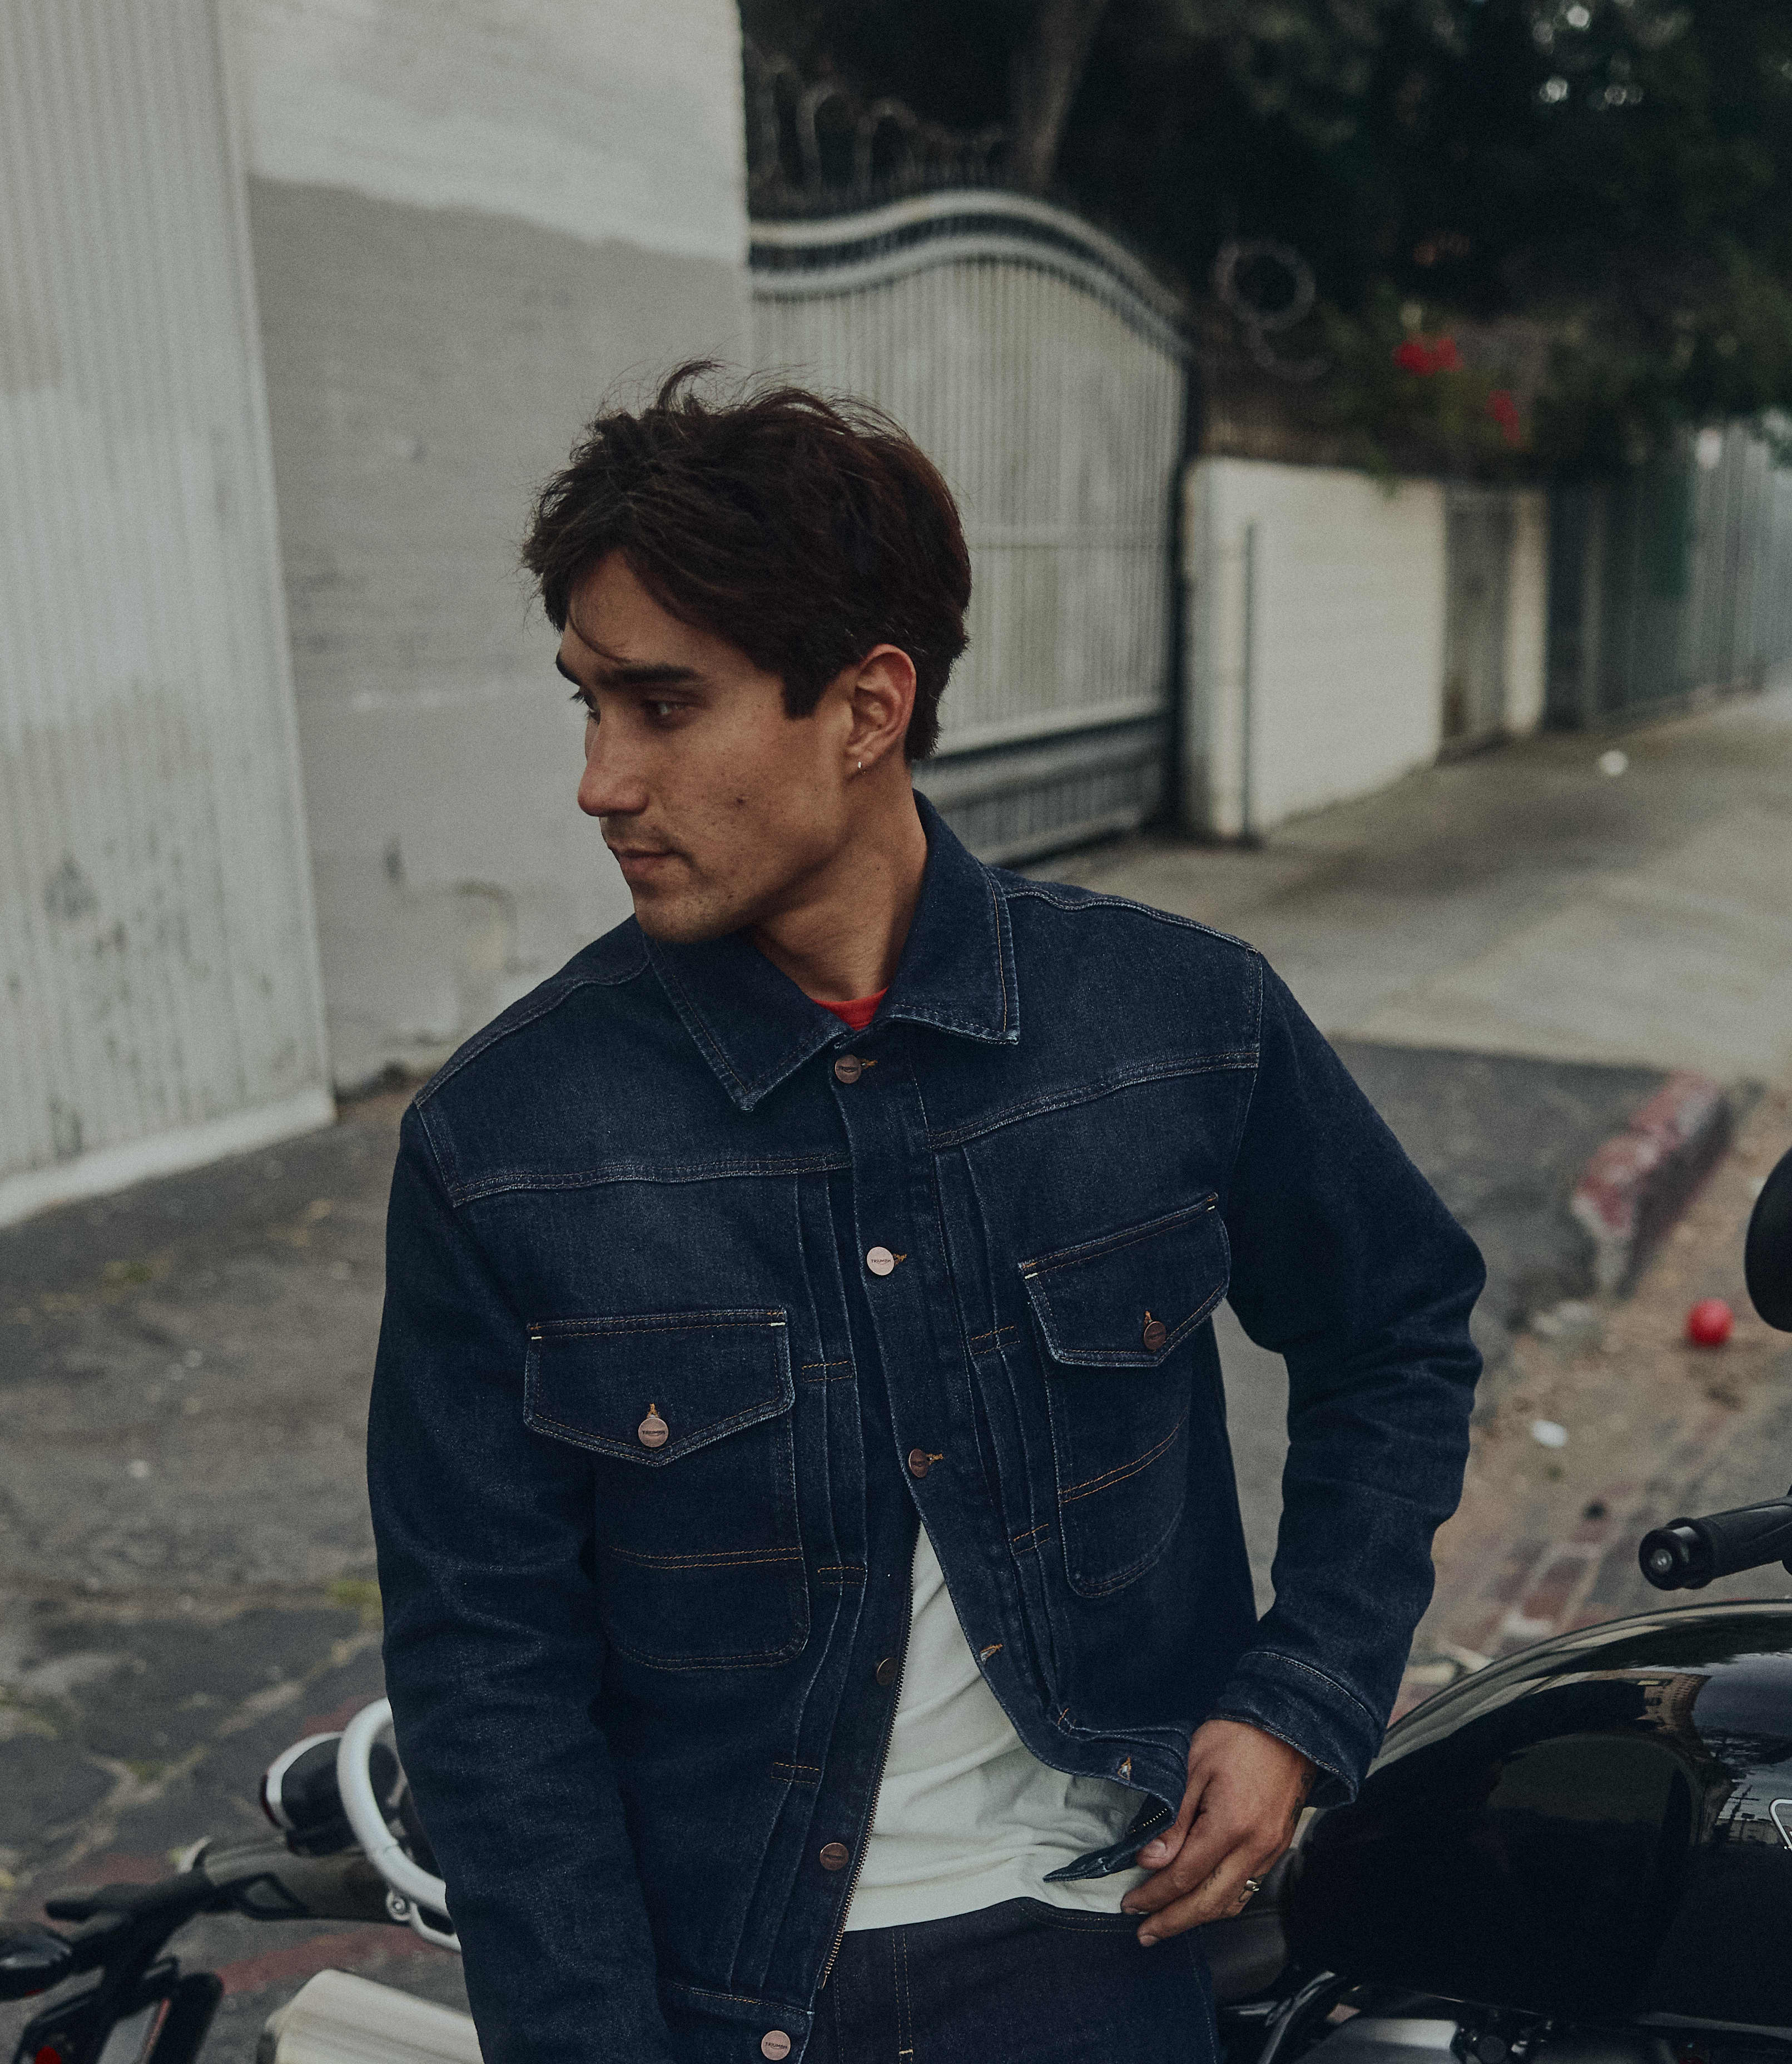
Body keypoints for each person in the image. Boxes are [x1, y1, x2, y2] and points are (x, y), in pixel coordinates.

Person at [367, 364, 1484, 2064]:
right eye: (587, 705)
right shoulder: (507, 1145)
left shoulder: (1175, 1022)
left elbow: (1396, 1329)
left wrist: (1302, 1699)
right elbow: (485, 1680)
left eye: (662, 708)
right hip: (725, 2003)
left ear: (868, 706)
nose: (600, 780)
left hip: (1103, 1953)